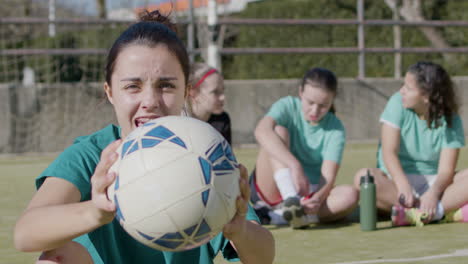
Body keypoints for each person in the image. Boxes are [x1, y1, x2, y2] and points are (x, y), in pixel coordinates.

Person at [13, 10, 274, 264]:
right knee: (55, 259)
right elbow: (26, 233)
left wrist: (240, 231)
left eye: (166, 85)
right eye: (132, 86)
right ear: (110, 92)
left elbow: (263, 257)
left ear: (186, 92)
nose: (149, 101)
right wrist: (94, 211)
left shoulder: (206, 154)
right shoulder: (93, 155)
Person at [353, 61, 468, 227]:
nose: (402, 91)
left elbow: (445, 171)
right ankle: (441, 213)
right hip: (396, 182)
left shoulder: (451, 119)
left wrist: (433, 194)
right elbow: (389, 152)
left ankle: (423, 213)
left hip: (435, 184)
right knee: (363, 178)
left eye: (408, 88)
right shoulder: (396, 103)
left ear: (426, 96)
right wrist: (402, 185)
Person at [252, 67, 358, 229]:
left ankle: (283, 216)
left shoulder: (336, 128)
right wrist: (295, 165)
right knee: (278, 131)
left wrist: (318, 199)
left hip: (308, 193)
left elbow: (327, 178)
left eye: (323, 105)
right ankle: (289, 200)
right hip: (274, 185)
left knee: (351, 195)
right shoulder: (287, 105)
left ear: (332, 100)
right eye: (310, 103)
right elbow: (261, 131)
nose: (315, 111)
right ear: (301, 92)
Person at [187, 62, 231, 144]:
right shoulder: (181, 122)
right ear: (193, 93)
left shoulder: (222, 120)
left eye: (222, 90)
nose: (223, 97)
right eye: (215, 92)